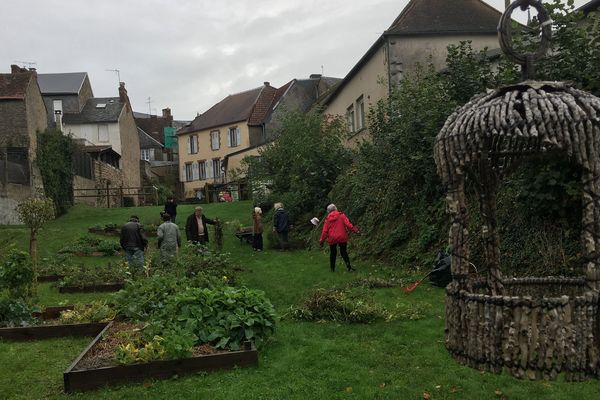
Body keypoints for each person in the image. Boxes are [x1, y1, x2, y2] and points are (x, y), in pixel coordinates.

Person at [319, 204, 359, 272]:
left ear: (329, 211)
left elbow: (325, 231)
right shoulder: (341, 216)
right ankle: (349, 267)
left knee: (333, 253)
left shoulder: (327, 219)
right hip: (342, 237)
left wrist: (321, 241)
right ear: (335, 208)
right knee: (344, 252)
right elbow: (348, 225)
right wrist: (356, 231)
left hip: (332, 238)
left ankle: (332, 269)